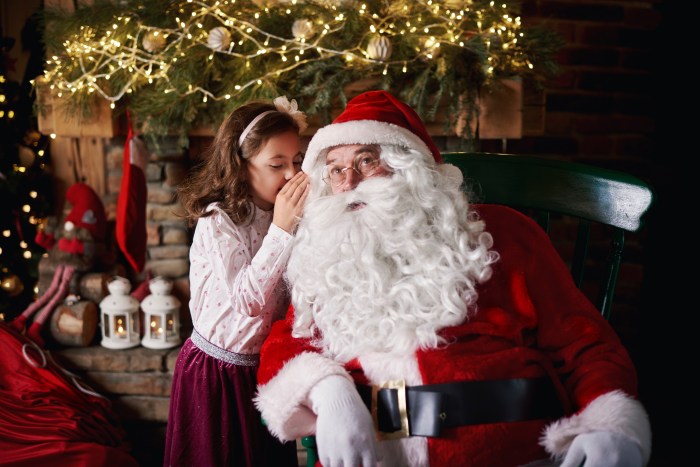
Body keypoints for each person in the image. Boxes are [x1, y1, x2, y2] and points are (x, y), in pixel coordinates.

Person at [254, 90, 651, 467]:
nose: (348, 183)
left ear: (409, 167)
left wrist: (609, 423)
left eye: (365, 161)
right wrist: (329, 392)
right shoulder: (329, 251)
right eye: (336, 170)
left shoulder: (505, 234)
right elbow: (285, 344)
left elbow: (585, 343)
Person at [164, 96, 309, 467]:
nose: (292, 175)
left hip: (263, 370)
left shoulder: (286, 215)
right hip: (216, 374)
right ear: (241, 166)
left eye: (296, 162)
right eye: (276, 164)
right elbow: (248, 300)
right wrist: (281, 228)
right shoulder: (219, 221)